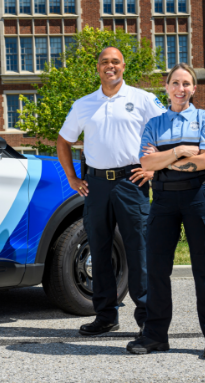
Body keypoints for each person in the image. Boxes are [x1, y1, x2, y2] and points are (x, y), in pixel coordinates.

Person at [57, 47, 166, 336]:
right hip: (96, 186)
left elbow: (167, 131)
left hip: (132, 182)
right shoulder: (83, 104)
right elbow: (63, 141)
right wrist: (71, 177)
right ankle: (105, 316)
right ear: (97, 68)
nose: (110, 66)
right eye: (105, 62)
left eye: (115, 62)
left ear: (124, 67)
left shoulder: (142, 99)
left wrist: (154, 169)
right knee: (100, 250)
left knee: (139, 251)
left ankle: (147, 321)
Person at [126, 63, 205, 359]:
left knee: (204, 269)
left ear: (194, 89)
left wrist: (164, 161)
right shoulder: (155, 124)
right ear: (166, 87)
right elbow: (145, 165)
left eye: (186, 84)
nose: (180, 89)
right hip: (164, 201)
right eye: (175, 83)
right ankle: (155, 336)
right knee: (156, 271)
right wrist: (181, 150)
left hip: (198, 197)